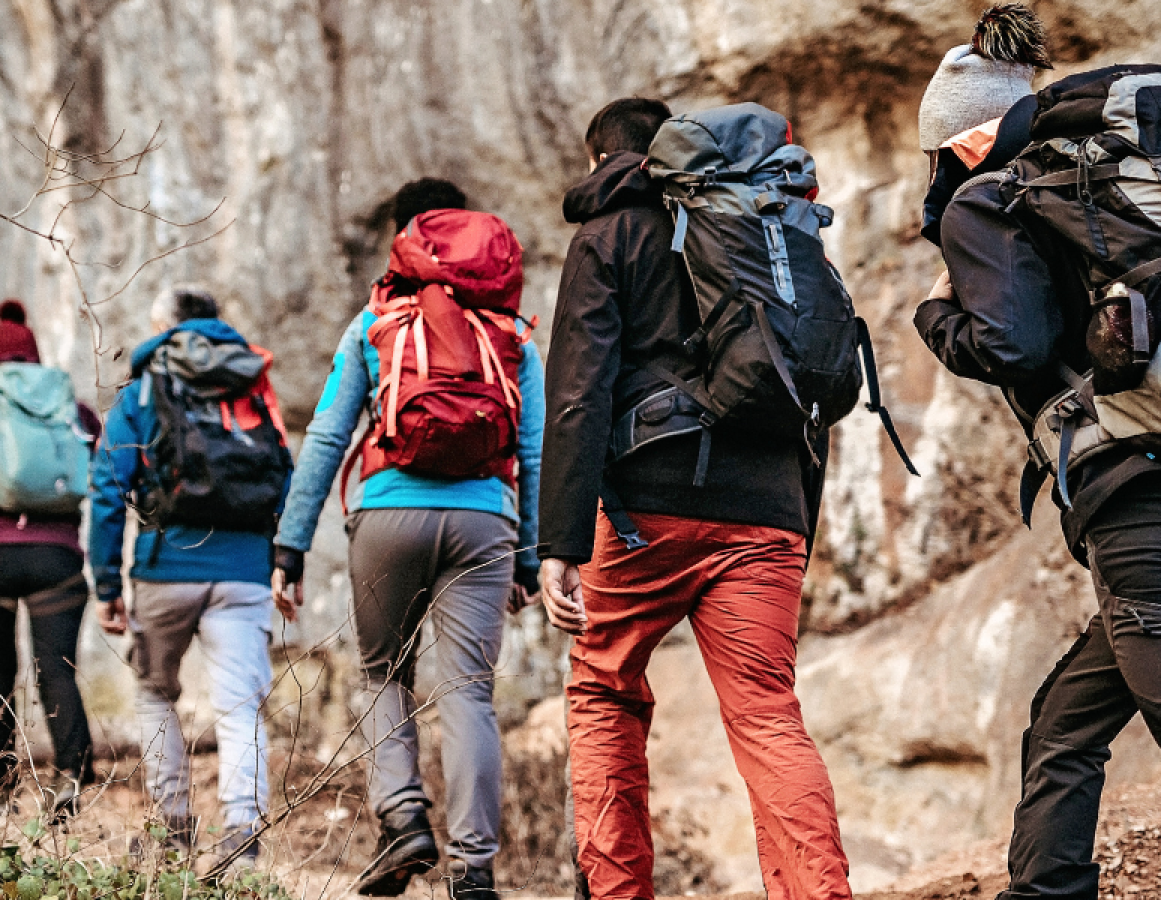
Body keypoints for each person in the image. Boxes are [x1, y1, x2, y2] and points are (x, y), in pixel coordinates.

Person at [537, 98, 854, 900]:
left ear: (599, 158)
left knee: (604, 688)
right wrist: (793, 522)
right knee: (766, 714)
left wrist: (560, 544)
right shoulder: (761, 224)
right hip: (768, 508)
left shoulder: (608, 235)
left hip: (650, 508)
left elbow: (578, 393)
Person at [916, 9, 1161, 898]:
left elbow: (1012, 348)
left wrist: (936, 314)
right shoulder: (1109, 180)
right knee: (1066, 721)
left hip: (1139, 498)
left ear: (965, 140)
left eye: (938, 157)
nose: (936, 176)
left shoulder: (997, 197)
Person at [271, 178, 544, 900]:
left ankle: (403, 821)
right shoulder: (513, 335)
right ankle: (475, 869)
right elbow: (539, 450)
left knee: (383, 673)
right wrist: (532, 556)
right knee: (468, 695)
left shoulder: (376, 324)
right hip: (487, 522)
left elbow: (328, 435)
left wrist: (289, 546)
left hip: (389, 514)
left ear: (405, 239)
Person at [88, 286, 290, 871]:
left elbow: (107, 487)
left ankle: (174, 829)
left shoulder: (147, 384)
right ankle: (242, 842)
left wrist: (107, 585)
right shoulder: (251, 377)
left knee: (154, 692)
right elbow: (285, 473)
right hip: (246, 570)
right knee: (240, 708)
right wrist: (283, 559)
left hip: (164, 566)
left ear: (165, 325)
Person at [0, 299, 101, 818]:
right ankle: (70, 777)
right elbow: (97, 477)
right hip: (58, 558)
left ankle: (0, 787)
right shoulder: (75, 410)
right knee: (56, 668)